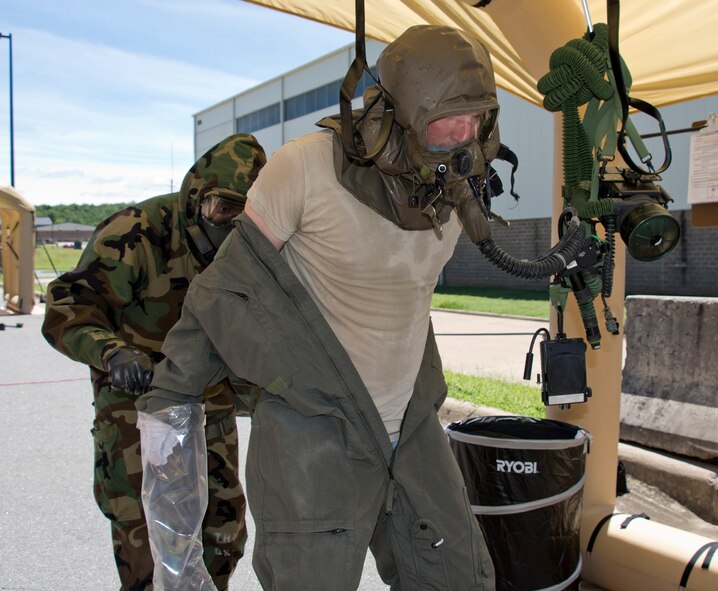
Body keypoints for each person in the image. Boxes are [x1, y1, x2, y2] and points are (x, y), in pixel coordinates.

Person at [136, 25, 500, 590]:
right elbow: (223, 292)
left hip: (411, 423)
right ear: (401, 114)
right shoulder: (305, 169)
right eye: (449, 120)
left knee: (459, 577)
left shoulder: (454, 189)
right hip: (316, 426)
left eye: (477, 118)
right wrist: (169, 410)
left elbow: (405, 295)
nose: (465, 136)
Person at [41, 133, 267, 591]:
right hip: (137, 411)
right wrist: (112, 352)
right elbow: (69, 308)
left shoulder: (252, 249)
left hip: (208, 406)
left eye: (242, 214)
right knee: (148, 542)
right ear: (196, 196)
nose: (228, 223)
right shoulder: (137, 233)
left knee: (222, 533)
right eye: (221, 208)